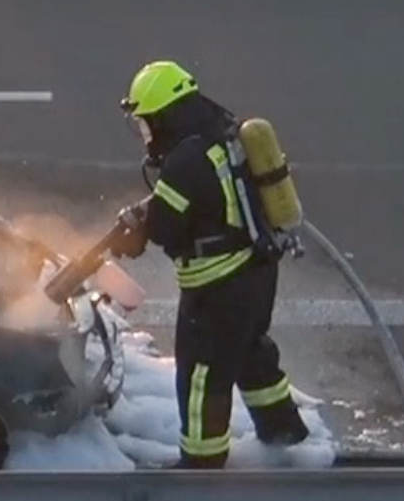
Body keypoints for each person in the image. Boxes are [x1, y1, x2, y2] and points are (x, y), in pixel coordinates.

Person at [111, 60, 310, 468]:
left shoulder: (184, 161)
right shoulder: (222, 131)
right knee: (251, 353)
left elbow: (166, 228)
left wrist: (135, 236)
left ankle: (201, 469)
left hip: (219, 286)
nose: (145, 134)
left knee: (203, 375)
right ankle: (283, 432)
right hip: (256, 271)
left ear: (165, 115)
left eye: (146, 123)